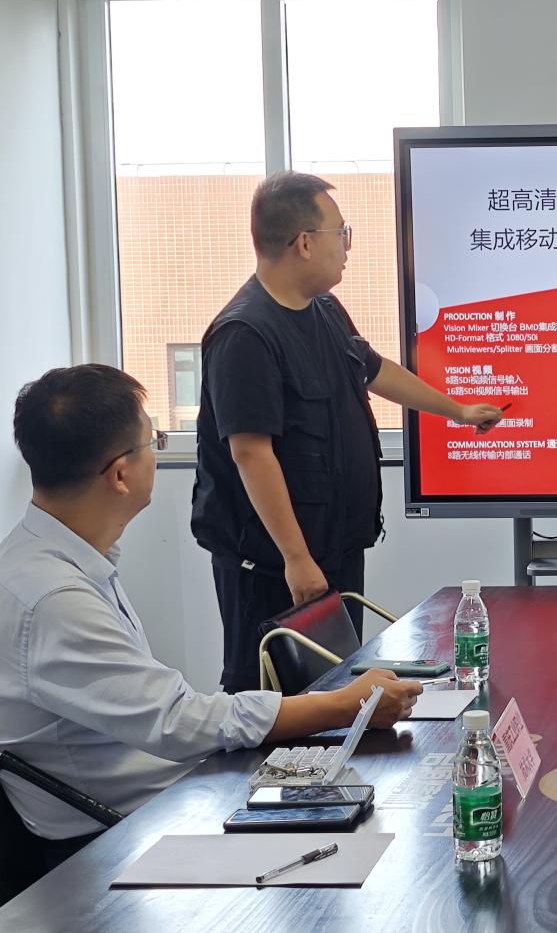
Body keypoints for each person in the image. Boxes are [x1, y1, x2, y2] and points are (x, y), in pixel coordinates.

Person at [0, 366, 422, 861]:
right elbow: (178, 721)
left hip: (165, 793)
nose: (156, 454)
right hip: (116, 835)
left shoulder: (50, 560)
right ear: (120, 475)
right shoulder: (54, 598)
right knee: (377, 833)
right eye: (152, 441)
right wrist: (347, 706)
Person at [192, 171, 504, 693]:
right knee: (271, 700)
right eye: (341, 232)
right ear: (304, 242)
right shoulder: (244, 334)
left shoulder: (325, 311)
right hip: (274, 565)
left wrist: (457, 411)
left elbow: (374, 369)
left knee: (336, 690)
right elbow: (251, 454)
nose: (347, 246)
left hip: (332, 550)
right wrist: (296, 559)